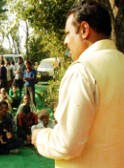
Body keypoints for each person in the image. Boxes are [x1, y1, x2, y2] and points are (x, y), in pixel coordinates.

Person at [32, 1, 124, 167]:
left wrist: (40, 136)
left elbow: (67, 145)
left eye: (68, 33)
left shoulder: (83, 70)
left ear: (84, 30)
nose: (66, 41)